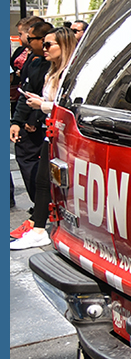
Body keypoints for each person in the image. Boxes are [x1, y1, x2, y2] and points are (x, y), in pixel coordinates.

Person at [11, 27, 77, 249]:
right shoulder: (52, 71)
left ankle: (40, 227)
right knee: (42, 182)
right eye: (45, 44)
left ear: (64, 45)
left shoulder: (71, 73)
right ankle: (38, 228)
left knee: (56, 183)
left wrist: (43, 105)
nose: (44, 48)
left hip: (67, 138)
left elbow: (70, 107)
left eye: (49, 44)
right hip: (53, 135)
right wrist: (39, 102)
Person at [9, 20, 53, 221]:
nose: (25, 40)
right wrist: (17, 121)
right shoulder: (35, 61)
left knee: (40, 166)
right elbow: (27, 93)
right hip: (35, 119)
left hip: (47, 124)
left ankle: (44, 206)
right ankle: (41, 205)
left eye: (29, 37)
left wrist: (35, 119)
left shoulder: (54, 67)